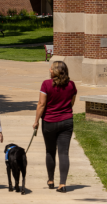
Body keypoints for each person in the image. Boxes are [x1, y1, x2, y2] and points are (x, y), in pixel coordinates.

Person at [33, 61, 77, 193]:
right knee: (64, 153)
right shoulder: (71, 85)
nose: (49, 70)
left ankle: (51, 180)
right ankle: (62, 184)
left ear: (56, 71)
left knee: (50, 151)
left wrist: (36, 121)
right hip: (67, 121)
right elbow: (71, 102)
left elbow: (41, 104)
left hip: (49, 122)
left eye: (51, 68)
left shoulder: (46, 84)